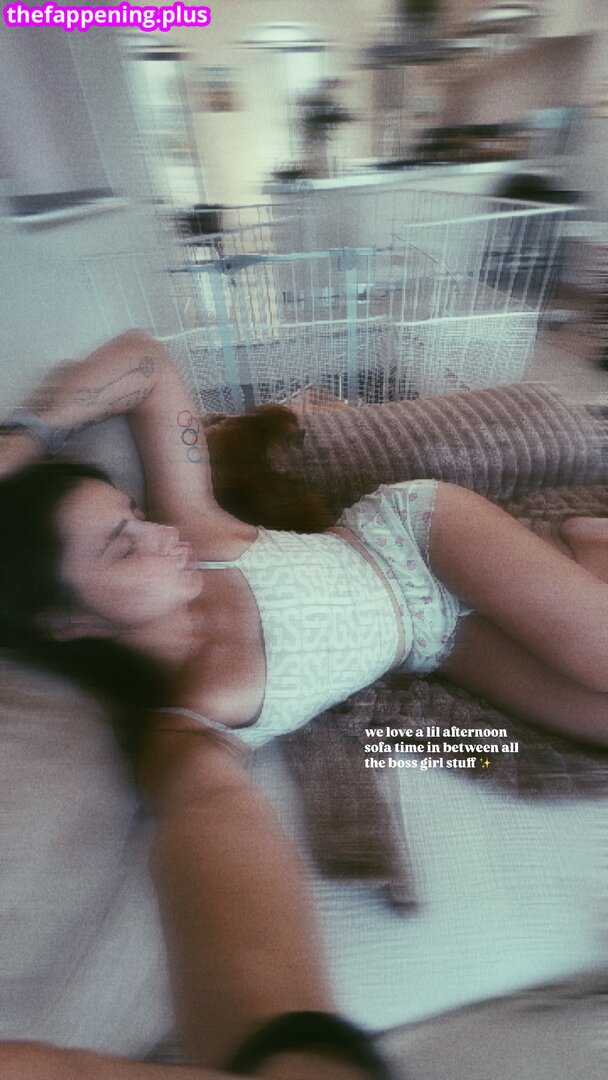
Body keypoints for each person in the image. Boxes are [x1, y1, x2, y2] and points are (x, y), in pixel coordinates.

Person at [0, 330, 607, 1077]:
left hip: (420, 540)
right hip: (438, 643)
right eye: (123, 545)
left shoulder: (195, 529)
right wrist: (286, 1048)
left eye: (135, 513)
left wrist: (25, 437)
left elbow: (148, 360)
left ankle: (580, 549)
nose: (158, 535)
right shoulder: (194, 726)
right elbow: (206, 810)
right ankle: (586, 549)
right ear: (69, 622)